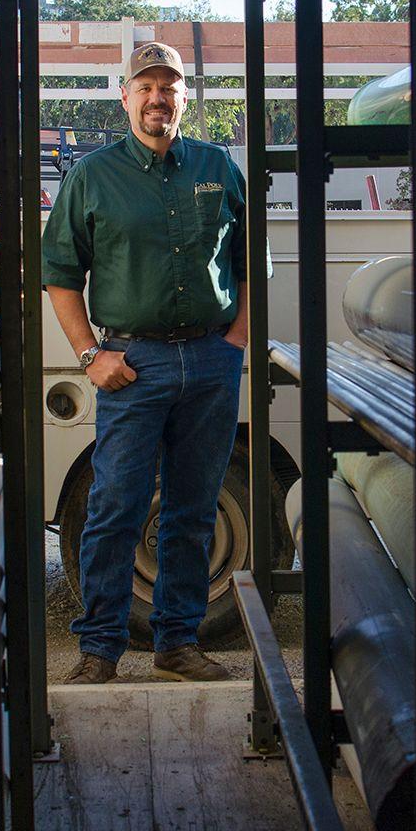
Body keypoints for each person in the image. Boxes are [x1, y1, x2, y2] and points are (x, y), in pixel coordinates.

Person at [42, 41, 260, 684]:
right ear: (125, 97)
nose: (158, 98)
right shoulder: (93, 176)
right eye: (146, 86)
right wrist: (89, 355)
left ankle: (176, 643)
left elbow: (250, 262)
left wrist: (238, 338)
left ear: (184, 97)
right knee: (116, 508)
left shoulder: (219, 167)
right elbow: (59, 275)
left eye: (169, 86)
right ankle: (100, 649)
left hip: (211, 360)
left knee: (192, 510)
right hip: (131, 365)